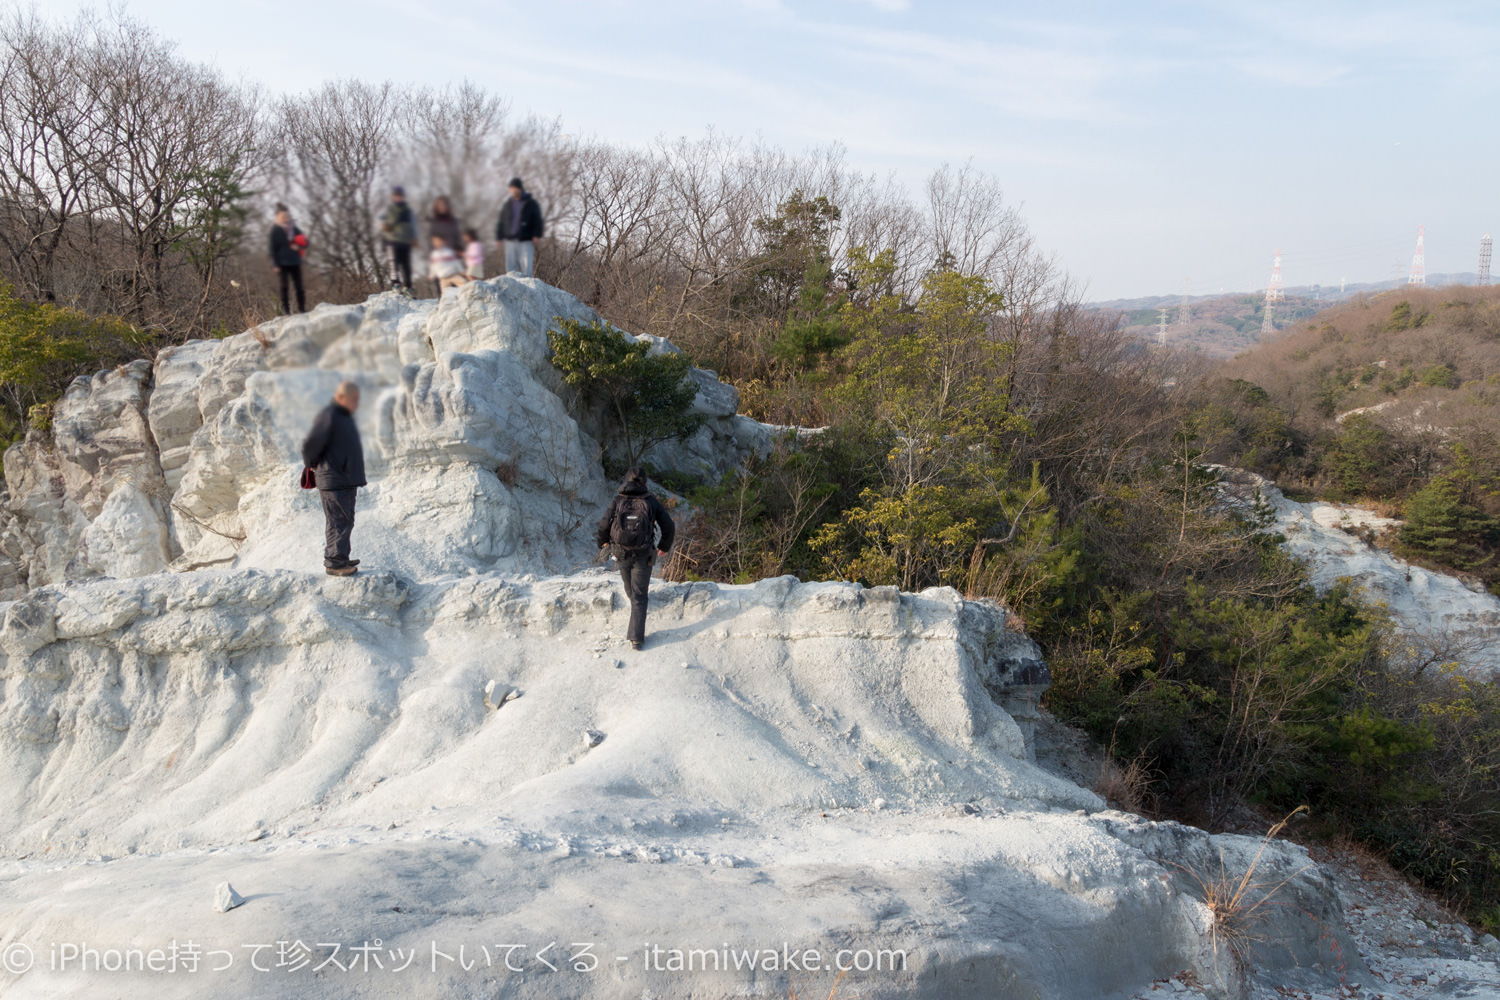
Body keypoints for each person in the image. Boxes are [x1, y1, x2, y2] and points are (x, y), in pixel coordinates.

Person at [595, 468, 675, 650]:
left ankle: (635, 615)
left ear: (627, 481)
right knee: (639, 595)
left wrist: (604, 544)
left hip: (621, 552)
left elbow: (603, 525)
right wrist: (664, 546)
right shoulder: (651, 501)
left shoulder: (618, 500)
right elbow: (669, 525)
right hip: (644, 553)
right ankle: (636, 638)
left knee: (630, 588)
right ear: (645, 482)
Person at [301, 381, 367, 577]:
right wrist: (313, 465)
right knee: (338, 520)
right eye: (353, 399)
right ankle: (335, 563)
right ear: (340, 397)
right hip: (334, 478)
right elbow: (311, 445)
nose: (356, 404)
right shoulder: (330, 416)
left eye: (357, 400)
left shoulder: (341, 417)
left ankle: (341, 557)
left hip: (343, 478)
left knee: (345, 520)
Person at [494, 177, 543, 277]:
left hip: (526, 240)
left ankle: (528, 290)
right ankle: (512, 291)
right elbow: (501, 221)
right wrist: (499, 237)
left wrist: (536, 234)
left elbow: (537, 219)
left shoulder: (531, 203)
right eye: (510, 189)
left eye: (514, 188)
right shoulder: (507, 204)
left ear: (520, 188)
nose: (512, 191)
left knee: (526, 268)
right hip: (510, 240)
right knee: (511, 270)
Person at [269, 204, 306, 314]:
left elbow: (305, 242)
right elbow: (272, 248)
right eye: (283, 216)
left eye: (287, 216)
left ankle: (302, 308)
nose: (285, 218)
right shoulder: (275, 229)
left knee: (299, 286)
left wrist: (298, 246)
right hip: (282, 262)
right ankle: (286, 310)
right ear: (278, 217)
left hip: (295, 260)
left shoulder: (294, 229)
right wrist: (275, 264)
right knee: (284, 287)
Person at [379, 186, 416, 290]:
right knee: (393, 263)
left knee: (406, 265)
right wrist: (383, 225)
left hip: (405, 240)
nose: (398, 198)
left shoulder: (408, 210)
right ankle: (395, 283)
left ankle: (408, 286)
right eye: (396, 196)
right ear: (393, 197)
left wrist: (415, 237)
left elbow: (413, 224)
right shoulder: (389, 209)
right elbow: (380, 221)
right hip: (392, 240)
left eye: (400, 196)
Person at [426, 196, 462, 294]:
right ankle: (444, 302)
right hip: (440, 260)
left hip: (452, 258)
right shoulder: (434, 222)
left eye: (444, 205)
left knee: (458, 286)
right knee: (443, 288)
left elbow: (457, 237)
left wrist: (459, 250)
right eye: (440, 205)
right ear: (436, 207)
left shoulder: (453, 221)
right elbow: (431, 239)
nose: (442, 207)